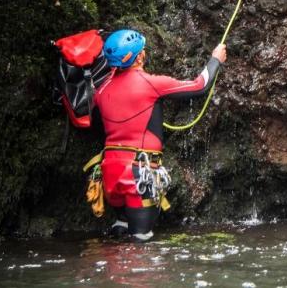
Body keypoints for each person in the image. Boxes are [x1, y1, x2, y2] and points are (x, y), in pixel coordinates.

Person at [92, 29, 227, 242]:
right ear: (138, 57)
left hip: (110, 171)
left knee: (120, 228)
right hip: (138, 173)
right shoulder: (150, 83)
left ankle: (108, 270)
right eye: (142, 50)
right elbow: (199, 86)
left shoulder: (101, 90)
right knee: (139, 240)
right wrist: (215, 60)